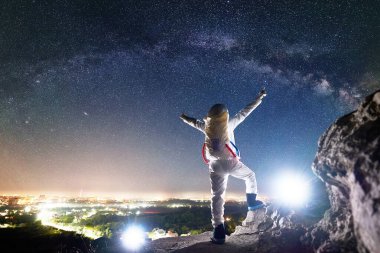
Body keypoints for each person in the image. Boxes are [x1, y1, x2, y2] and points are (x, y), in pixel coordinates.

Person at [180, 89, 267, 244]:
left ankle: (219, 229)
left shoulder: (206, 127)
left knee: (217, 196)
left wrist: (184, 118)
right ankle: (252, 203)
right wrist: (259, 98)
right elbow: (245, 111)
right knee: (250, 176)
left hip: (215, 166)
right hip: (232, 163)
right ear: (224, 116)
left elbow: (194, 123)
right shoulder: (229, 125)